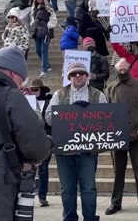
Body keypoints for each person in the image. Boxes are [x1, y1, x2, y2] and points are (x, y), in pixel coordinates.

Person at [45, 63, 107, 221]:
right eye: (74, 74)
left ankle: (90, 218)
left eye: (81, 73)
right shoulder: (59, 94)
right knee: (67, 189)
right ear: (69, 77)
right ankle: (70, 218)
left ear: (87, 76)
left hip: (87, 151)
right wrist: (70, 111)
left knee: (89, 188)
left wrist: (90, 111)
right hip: (64, 151)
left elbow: (107, 118)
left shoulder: (97, 94)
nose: (78, 76)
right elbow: (48, 118)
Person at [0, 47, 52, 219]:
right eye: (22, 79)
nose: (22, 84)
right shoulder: (10, 96)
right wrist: (48, 143)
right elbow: (37, 148)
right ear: (13, 73)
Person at [105, 59, 138, 215]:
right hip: (117, 136)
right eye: (120, 70)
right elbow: (106, 112)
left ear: (129, 69)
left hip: (137, 135)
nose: (122, 72)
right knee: (118, 171)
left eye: (125, 70)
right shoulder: (110, 87)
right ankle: (115, 202)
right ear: (116, 70)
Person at [28, 79, 53, 207]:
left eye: (36, 90)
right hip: (30, 138)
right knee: (30, 170)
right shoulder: (26, 101)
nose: (33, 92)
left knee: (43, 169)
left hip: (46, 137)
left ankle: (42, 196)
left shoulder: (49, 101)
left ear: (41, 90)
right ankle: (28, 194)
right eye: (31, 90)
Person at [31, 0, 57, 78]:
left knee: (43, 50)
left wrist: (49, 26)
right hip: (37, 31)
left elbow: (53, 18)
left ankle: (44, 70)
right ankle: (46, 65)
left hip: (46, 31)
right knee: (38, 50)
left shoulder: (48, 6)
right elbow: (32, 17)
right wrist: (33, 24)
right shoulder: (34, 6)